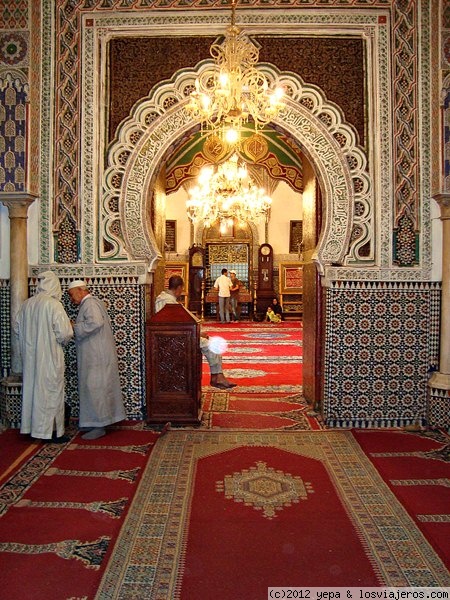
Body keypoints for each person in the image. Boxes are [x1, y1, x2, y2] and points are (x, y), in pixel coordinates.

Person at [15, 270, 73, 443]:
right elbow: (64, 333)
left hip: (30, 358)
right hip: (49, 357)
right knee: (51, 392)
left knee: (33, 390)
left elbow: (17, 328)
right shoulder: (54, 305)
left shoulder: (27, 304)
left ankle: (32, 428)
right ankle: (50, 432)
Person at [68, 280, 126, 440]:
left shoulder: (89, 304)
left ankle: (99, 426)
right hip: (97, 354)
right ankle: (96, 422)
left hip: (96, 355)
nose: (72, 299)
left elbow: (95, 322)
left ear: (81, 290)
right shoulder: (92, 303)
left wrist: (75, 327)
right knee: (96, 388)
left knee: (95, 388)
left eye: (72, 295)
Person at [155, 276, 236, 389]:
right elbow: (178, 324)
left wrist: (196, 332)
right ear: (179, 287)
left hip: (179, 335)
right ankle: (217, 377)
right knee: (213, 345)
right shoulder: (167, 301)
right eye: (181, 289)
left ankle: (217, 376)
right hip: (176, 338)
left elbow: (181, 320)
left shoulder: (165, 298)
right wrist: (197, 333)